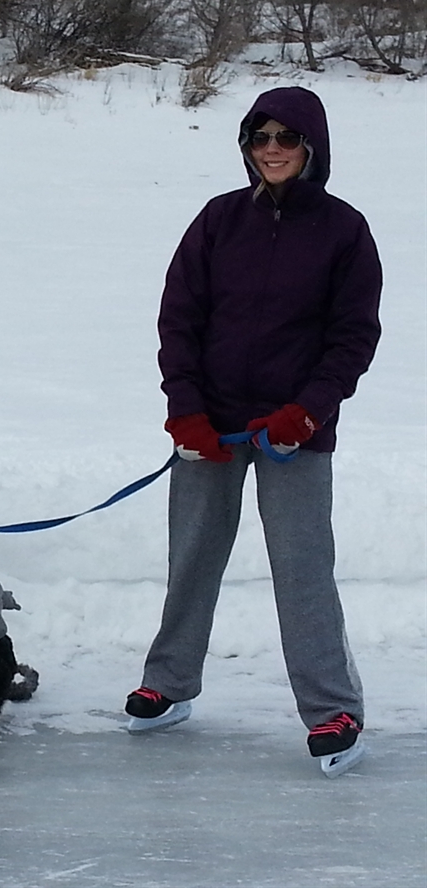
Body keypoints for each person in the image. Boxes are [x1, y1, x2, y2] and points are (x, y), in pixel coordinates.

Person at [126, 86, 382, 776]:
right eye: (260, 137)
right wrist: (185, 409)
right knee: (194, 557)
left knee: (302, 570)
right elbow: (179, 319)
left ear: (312, 148)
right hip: (210, 426)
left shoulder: (344, 230)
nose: (272, 149)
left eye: (286, 138)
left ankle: (334, 708)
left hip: (294, 430)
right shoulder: (217, 221)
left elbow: (353, 336)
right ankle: (170, 684)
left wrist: (308, 412)